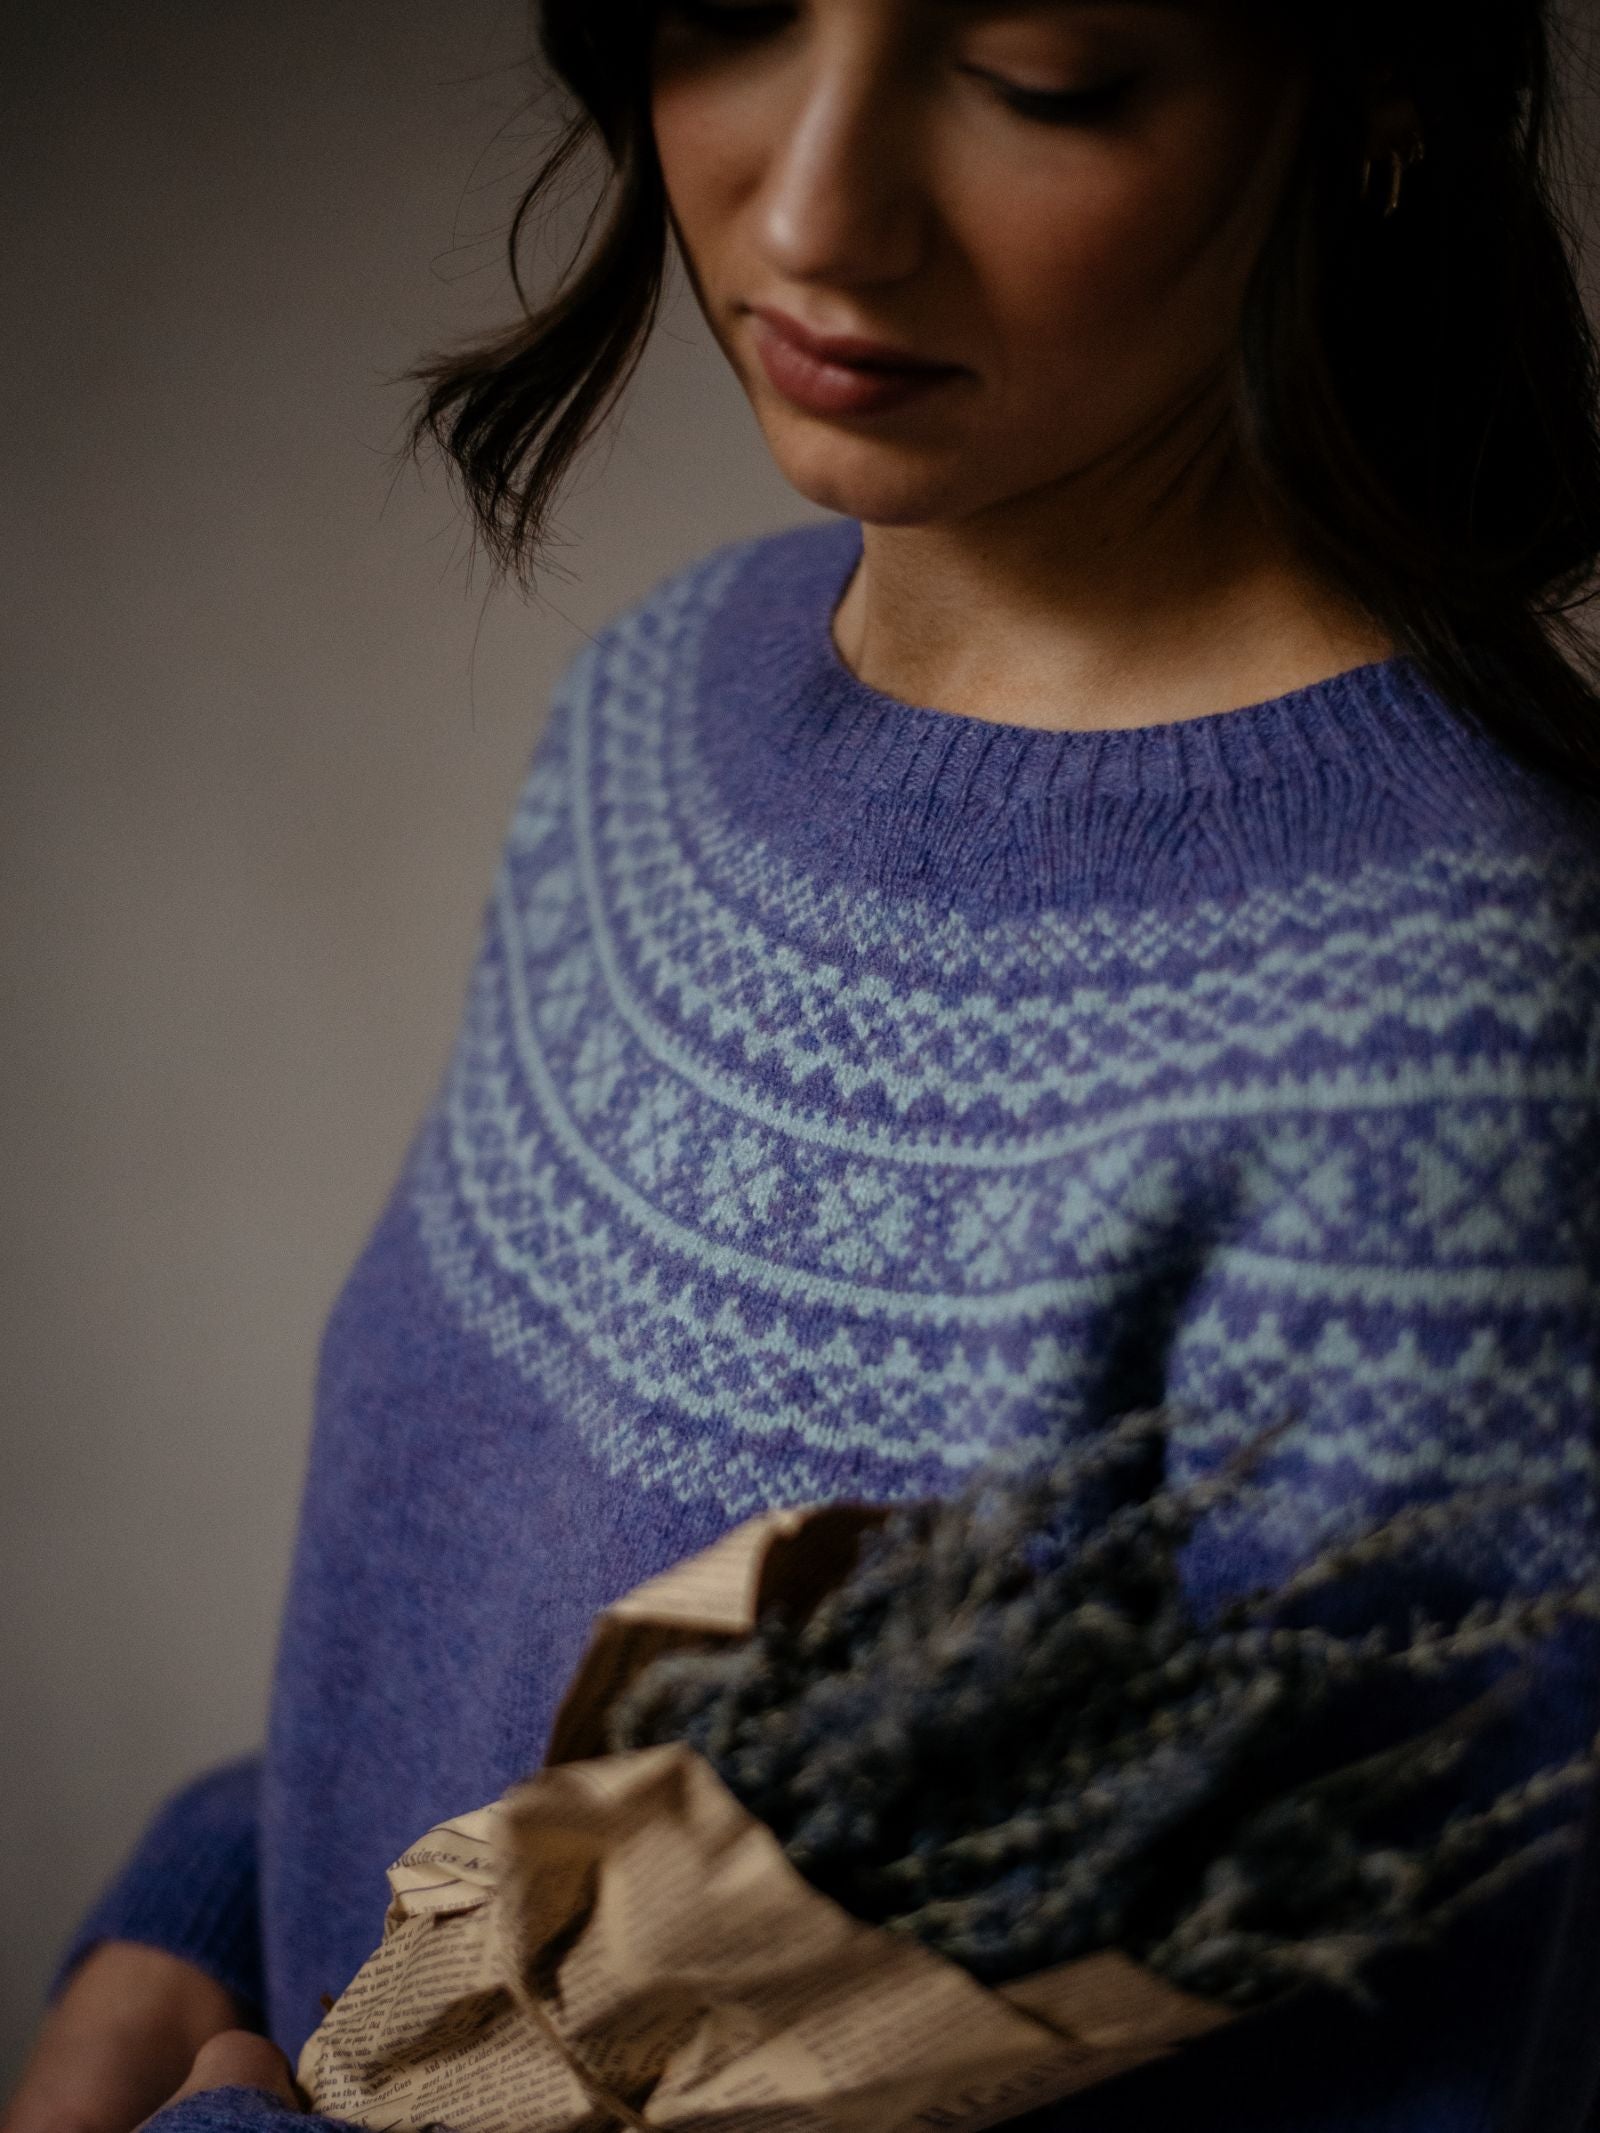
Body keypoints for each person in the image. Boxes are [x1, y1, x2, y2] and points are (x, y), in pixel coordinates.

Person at [9, 0, 1600, 2128]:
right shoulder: (662, 704)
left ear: (1367, 83)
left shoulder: (1460, 1031)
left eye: (1042, 67)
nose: (814, 209)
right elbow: (491, 1598)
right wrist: (214, 1892)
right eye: (729, 9)